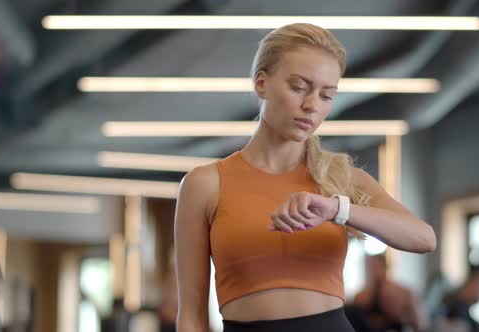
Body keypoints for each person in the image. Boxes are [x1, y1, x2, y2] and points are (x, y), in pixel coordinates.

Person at [174, 23, 437, 332]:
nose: (312, 105)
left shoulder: (341, 179)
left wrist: (338, 210)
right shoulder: (205, 184)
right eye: (299, 87)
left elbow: (424, 238)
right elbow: (190, 316)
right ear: (261, 84)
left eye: (327, 95)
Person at [347, 254, 426, 332]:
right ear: (387, 266)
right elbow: (418, 325)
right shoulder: (405, 292)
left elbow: (418, 324)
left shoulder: (360, 295)